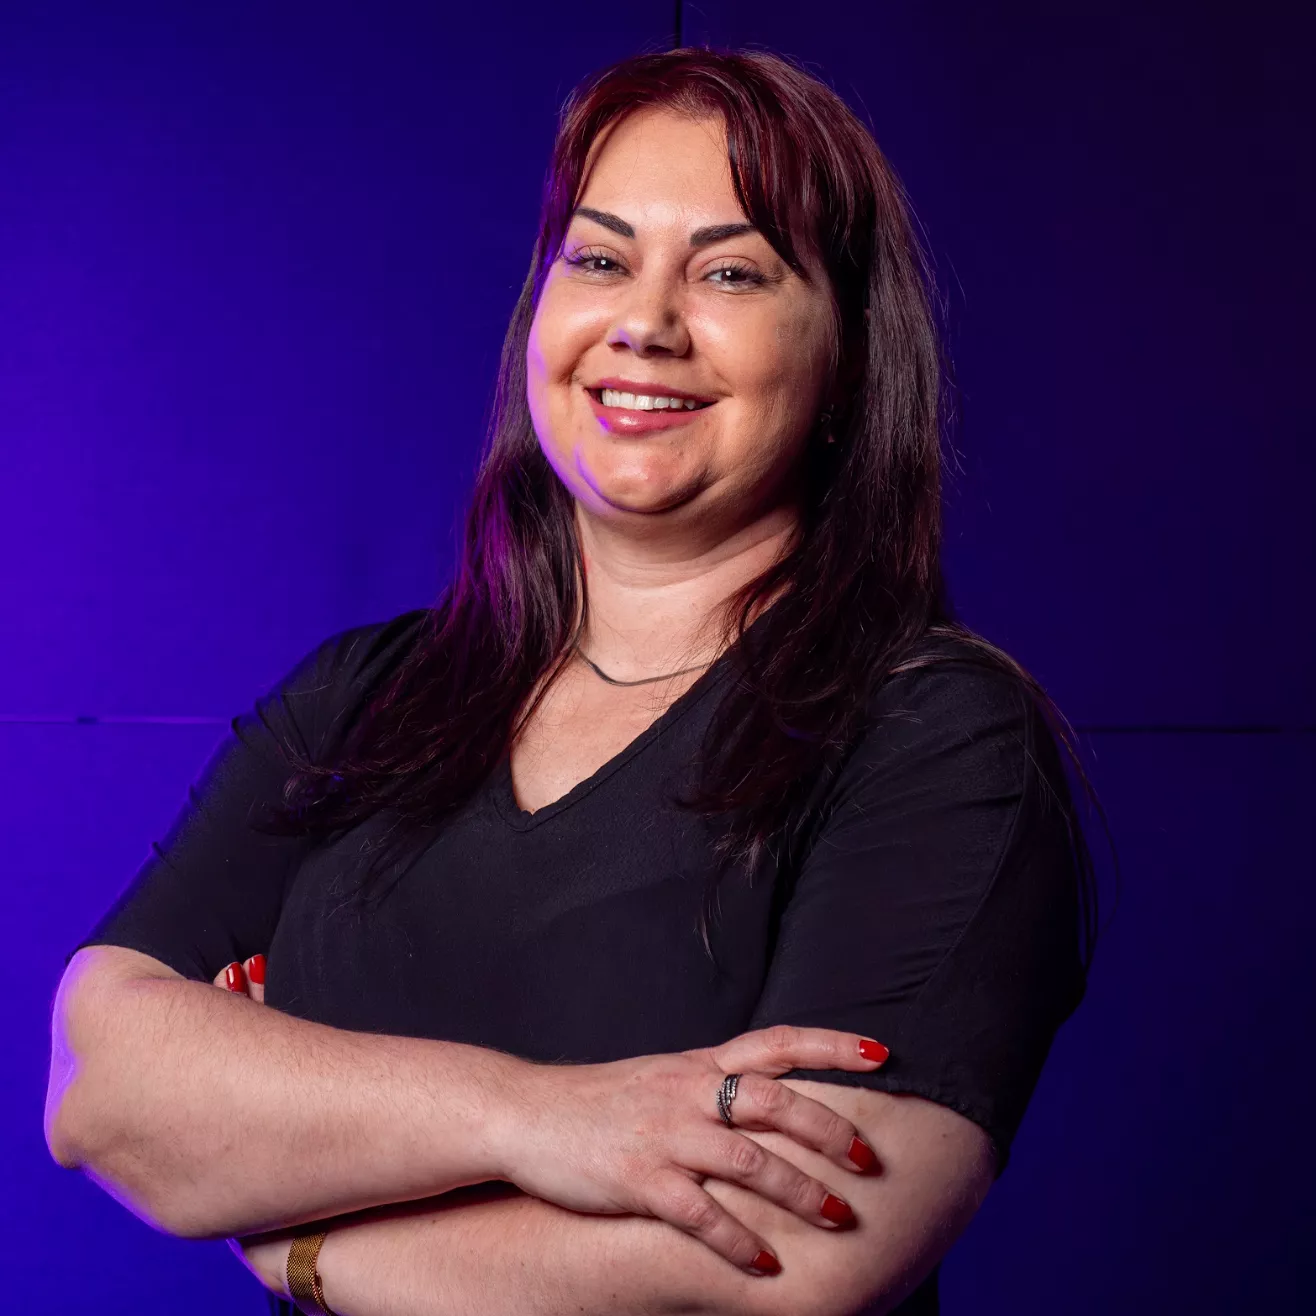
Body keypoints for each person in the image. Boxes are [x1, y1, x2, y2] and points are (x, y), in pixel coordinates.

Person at [44, 47, 1095, 1316]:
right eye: (598, 259)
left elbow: (790, 1261)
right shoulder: (363, 699)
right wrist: (543, 1117)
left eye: (729, 271)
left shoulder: (932, 738)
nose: (643, 322)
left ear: (846, 361)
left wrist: (308, 1232)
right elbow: (100, 1086)